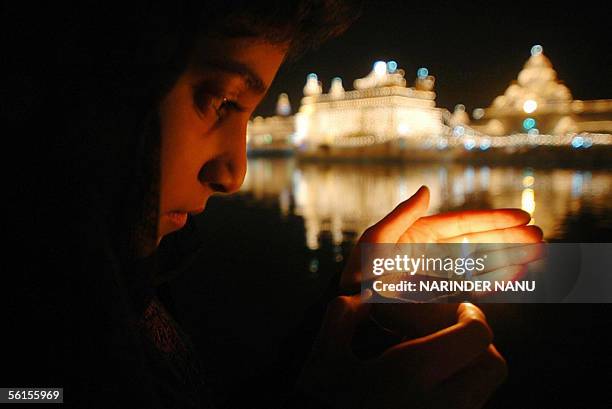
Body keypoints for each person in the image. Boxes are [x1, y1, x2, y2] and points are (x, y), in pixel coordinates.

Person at [5, 1, 542, 408]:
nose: (234, 174)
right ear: (99, 81)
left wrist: (357, 309)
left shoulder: (125, 287)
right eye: (220, 102)